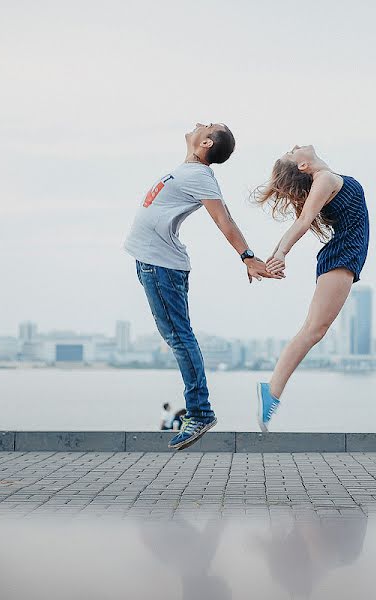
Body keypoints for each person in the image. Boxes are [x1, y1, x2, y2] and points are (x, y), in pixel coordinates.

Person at [124, 123, 282, 450]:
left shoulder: (200, 176)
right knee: (177, 336)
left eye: (206, 125)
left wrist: (247, 256)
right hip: (152, 263)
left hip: (162, 266)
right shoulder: (188, 171)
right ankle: (199, 410)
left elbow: (224, 219)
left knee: (180, 337)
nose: (198, 123)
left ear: (206, 142)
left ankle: (199, 412)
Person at [253, 145, 369, 431]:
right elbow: (303, 222)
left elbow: (299, 221)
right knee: (313, 330)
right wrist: (281, 254)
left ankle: (272, 391)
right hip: (343, 254)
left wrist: (278, 253)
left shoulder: (326, 179)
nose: (293, 148)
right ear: (303, 166)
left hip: (345, 255)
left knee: (313, 329)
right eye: (291, 154)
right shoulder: (325, 179)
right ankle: (272, 392)